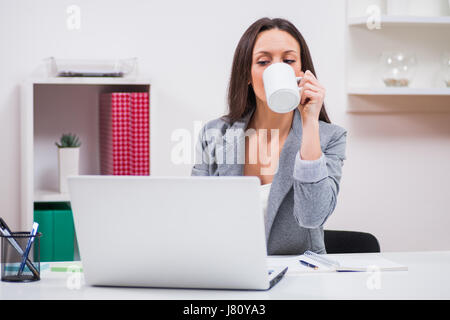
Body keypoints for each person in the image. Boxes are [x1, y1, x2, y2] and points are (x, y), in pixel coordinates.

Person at [191, 17, 347, 254]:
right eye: (263, 62)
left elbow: (312, 216)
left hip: (301, 277)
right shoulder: (213, 134)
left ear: (303, 72)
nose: (277, 69)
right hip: (229, 270)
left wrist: (310, 123)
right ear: (247, 74)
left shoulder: (330, 138)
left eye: (288, 60)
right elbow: (196, 215)